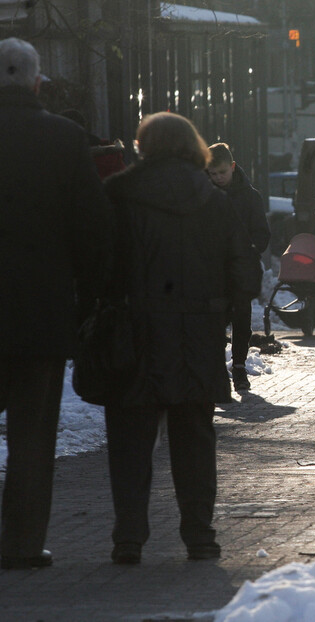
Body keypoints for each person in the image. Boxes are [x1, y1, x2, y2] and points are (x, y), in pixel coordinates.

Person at [102, 112, 258, 565]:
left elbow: (95, 262)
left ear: (142, 146)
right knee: (194, 437)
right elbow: (245, 272)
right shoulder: (214, 199)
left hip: (134, 333)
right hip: (197, 335)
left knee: (130, 438)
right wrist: (221, 308)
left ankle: (128, 537)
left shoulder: (118, 195)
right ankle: (200, 535)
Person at [0, 37, 112, 570]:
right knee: (31, 433)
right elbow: (92, 230)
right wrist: (88, 300)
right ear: (38, 82)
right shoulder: (64, 138)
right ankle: (21, 543)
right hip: (38, 314)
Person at [207, 142, 270, 390]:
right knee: (213, 319)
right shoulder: (203, 195)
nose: (218, 178)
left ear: (232, 167)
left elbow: (262, 234)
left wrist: (249, 249)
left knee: (241, 319)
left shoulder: (250, 196)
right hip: (212, 270)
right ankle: (215, 367)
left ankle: (239, 366)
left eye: (222, 172)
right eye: (212, 174)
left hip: (240, 269)